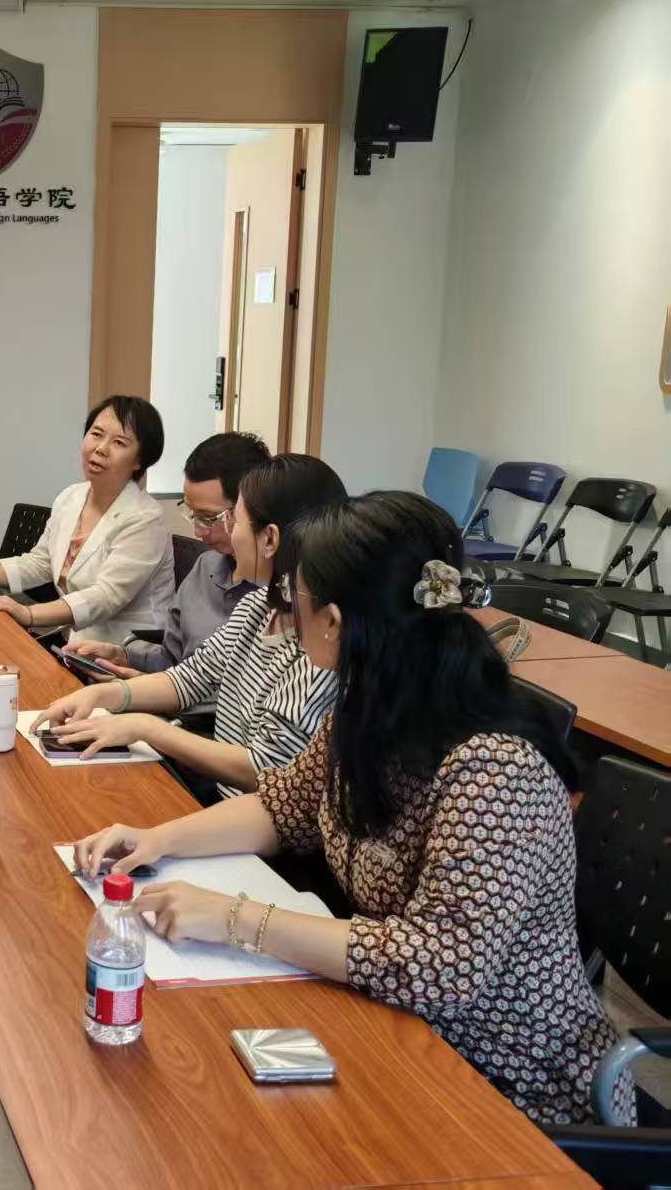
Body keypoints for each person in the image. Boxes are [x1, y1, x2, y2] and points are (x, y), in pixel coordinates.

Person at [70, 492, 631, 1127]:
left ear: (333, 621)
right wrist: (157, 839)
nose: (286, 611)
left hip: (506, 1084)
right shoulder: (368, 709)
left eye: (296, 597)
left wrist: (234, 918)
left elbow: (438, 966)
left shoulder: (496, 769)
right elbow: (282, 806)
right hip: (391, 1024)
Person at [34, 455, 345, 798]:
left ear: (269, 539)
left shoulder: (319, 645)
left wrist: (147, 728)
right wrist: (100, 695)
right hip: (225, 804)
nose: (229, 530)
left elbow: (266, 772)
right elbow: (188, 679)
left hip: (247, 818)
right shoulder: (257, 607)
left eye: (235, 519)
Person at [0, 396, 176, 645]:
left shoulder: (145, 519)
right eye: (96, 434)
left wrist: (29, 614)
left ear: (140, 460)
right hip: (74, 642)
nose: (101, 448)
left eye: (119, 442)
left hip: (125, 651)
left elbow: (106, 596)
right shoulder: (72, 497)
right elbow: (40, 563)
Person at [64, 431, 269, 675]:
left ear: (248, 509)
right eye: (192, 513)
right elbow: (171, 659)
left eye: (208, 518)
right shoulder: (206, 567)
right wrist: (123, 657)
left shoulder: (277, 594)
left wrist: (148, 689)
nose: (197, 531)